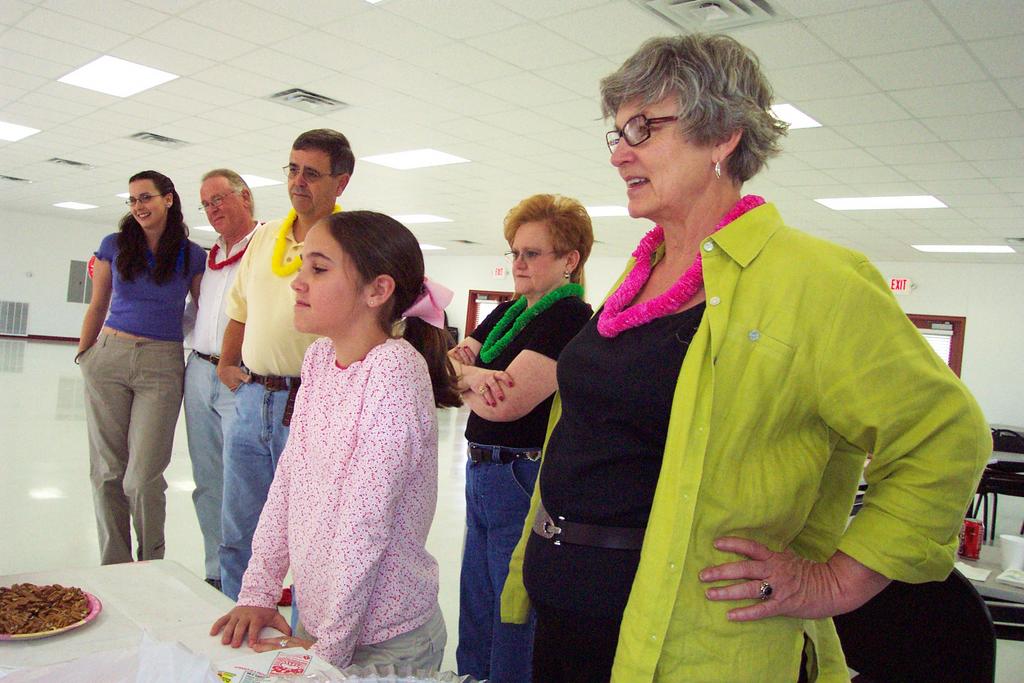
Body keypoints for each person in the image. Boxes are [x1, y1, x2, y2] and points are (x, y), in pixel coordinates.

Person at [500, 34, 991, 682]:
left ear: (722, 135)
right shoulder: (642, 272)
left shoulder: (814, 280)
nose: (620, 152)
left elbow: (946, 435)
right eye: (616, 133)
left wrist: (838, 580)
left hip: (693, 649)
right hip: (568, 625)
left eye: (643, 127)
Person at [210, 211, 459, 670]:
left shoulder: (393, 371)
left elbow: (366, 523)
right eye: (302, 265)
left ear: (376, 291)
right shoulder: (321, 358)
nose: (297, 282)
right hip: (325, 625)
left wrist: (328, 656)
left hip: (383, 640)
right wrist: (259, 593)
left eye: (319, 269)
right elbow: (288, 484)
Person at [448, 195, 593, 683]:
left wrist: (466, 378)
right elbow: (445, 367)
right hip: (481, 467)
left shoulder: (569, 317)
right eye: (515, 252)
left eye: (532, 254)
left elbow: (504, 404)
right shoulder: (511, 314)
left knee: (510, 605)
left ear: (569, 259)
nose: (518, 264)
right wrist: (475, 377)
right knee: (476, 597)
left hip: (519, 473)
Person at [218, 129, 353, 601]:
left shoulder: (352, 242)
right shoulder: (265, 237)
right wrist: (226, 365)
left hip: (313, 403)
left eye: (312, 173)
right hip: (251, 398)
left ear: (341, 182)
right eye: (293, 169)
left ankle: (302, 630)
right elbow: (239, 308)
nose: (298, 181)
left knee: (308, 533)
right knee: (239, 527)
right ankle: (236, 615)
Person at [77, 170, 206, 565]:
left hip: (161, 364)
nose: (138, 206)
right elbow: (98, 303)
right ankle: (114, 563)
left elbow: (203, 309)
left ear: (168, 199)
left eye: (146, 197)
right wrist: (85, 355)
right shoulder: (114, 245)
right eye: (132, 200)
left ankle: (151, 561)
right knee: (107, 472)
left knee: (143, 478)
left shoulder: (191, 254)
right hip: (109, 357)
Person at [183, 169, 260, 590]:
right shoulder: (209, 257)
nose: (212, 210)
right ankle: (215, 571)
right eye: (206, 204)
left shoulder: (265, 247)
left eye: (219, 199)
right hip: (198, 370)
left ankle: (244, 582)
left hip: (240, 376)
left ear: (244, 196)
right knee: (208, 480)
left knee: (241, 483)